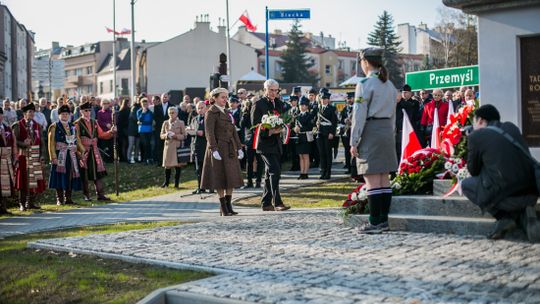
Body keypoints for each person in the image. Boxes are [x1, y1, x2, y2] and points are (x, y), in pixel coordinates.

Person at [462, 104, 539, 242]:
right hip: (532, 192)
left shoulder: (476, 136)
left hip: (506, 198)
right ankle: (524, 214)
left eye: (474, 122)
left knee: (466, 184)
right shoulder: (511, 128)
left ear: (480, 120)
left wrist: (472, 140)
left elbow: (473, 171)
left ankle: (505, 217)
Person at [350, 47, 398, 233]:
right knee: (384, 179)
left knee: (371, 179)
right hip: (386, 131)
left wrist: (354, 140)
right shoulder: (390, 85)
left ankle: (374, 222)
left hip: (371, 130)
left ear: (365, 62)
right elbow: (394, 114)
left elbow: (359, 114)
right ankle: (383, 221)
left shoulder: (364, 84)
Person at [201, 88, 244, 216]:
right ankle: (223, 206)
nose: (226, 100)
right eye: (222, 97)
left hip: (229, 148)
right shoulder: (211, 112)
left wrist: (239, 147)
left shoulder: (226, 112)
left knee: (231, 177)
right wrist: (213, 149)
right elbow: (209, 133)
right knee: (219, 177)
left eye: (226, 97)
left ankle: (229, 205)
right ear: (214, 98)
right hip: (218, 148)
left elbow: (233, 131)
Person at [251, 79, 291, 212]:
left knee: (270, 173)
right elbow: (254, 126)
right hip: (264, 144)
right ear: (265, 90)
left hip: (276, 143)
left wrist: (284, 126)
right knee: (275, 171)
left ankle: (266, 203)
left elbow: (286, 118)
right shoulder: (258, 104)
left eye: (276, 90)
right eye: (271, 90)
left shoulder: (280, 103)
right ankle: (277, 201)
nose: (274, 93)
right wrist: (269, 130)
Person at [75, 101, 116, 201]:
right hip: (84, 152)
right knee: (84, 173)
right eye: (86, 110)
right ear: (81, 111)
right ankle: (86, 195)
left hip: (94, 151)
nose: (88, 112)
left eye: (90, 110)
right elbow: (77, 139)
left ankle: (100, 194)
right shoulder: (77, 123)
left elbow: (101, 134)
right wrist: (80, 152)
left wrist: (111, 132)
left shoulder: (95, 122)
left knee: (98, 173)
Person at [13, 103, 46, 211]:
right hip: (23, 156)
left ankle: (31, 202)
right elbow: (14, 141)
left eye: (33, 112)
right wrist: (23, 143)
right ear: (24, 114)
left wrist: (42, 156)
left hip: (35, 155)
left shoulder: (37, 125)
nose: (32, 114)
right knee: (23, 180)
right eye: (30, 112)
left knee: (35, 180)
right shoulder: (18, 125)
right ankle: (22, 203)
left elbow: (42, 142)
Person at [48, 104, 83, 205]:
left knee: (70, 176)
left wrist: (81, 151)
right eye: (63, 114)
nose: (65, 116)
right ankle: (59, 199)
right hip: (59, 155)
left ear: (70, 115)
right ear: (59, 115)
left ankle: (68, 198)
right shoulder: (54, 126)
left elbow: (78, 140)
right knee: (59, 176)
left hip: (71, 155)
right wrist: (53, 157)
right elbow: (51, 143)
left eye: (67, 114)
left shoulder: (73, 126)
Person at [160, 107, 186, 188]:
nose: (171, 114)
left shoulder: (181, 123)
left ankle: (176, 183)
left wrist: (176, 136)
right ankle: (166, 183)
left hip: (176, 146)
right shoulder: (165, 123)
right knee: (167, 166)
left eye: (173, 112)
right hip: (168, 146)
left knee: (177, 165)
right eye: (170, 113)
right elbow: (161, 135)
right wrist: (166, 135)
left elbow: (184, 136)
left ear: (177, 113)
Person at [241, 96, 263, 189]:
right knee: (249, 161)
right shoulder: (247, 111)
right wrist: (245, 112)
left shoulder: (262, 111)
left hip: (260, 139)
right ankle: (249, 181)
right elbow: (241, 124)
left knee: (259, 161)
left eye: (256, 102)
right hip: (249, 139)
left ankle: (258, 181)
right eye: (253, 102)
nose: (255, 104)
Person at [395, 84, 421, 161]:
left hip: (410, 129)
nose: (404, 94)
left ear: (410, 93)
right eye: (403, 92)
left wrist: (400, 100)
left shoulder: (414, 103)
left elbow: (411, 109)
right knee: (399, 151)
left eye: (406, 92)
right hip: (398, 129)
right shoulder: (397, 103)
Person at [316, 92, 338, 179]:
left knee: (328, 153)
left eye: (325, 99)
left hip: (328, 133)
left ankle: (328, 172)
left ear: (328, 99)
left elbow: (334, 122)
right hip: (320, 132)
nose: (323, 100)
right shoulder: (318, 108)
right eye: (322, 98)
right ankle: (323, 171)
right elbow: (315, 119)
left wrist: (332, 133)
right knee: (321, 153)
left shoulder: (332, 108)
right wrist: (316, 123)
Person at [0, 108, 16, 214]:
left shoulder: (7, 128)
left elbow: (13, 143)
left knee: (6, 184)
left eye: (0, 115)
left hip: (6, 160)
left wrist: (15, 157)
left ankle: (4, 207)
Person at [191, 100, 209, 194]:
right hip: (196, 146)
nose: (200, 110)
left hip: (206, 146)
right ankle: (200, 187)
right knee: (198, 169)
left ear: (206, 108)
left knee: (208, 168)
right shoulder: (194, 119)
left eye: (202, 108)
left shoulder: (209, 118)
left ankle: (210, 186)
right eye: (198, 108)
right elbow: (192, 130)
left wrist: (203, 133)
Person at [294, 98, 314, 179]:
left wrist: (300, 129)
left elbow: (310, 127)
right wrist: (295, 129)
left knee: (305, 156)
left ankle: (305, 173)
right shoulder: (297, 116)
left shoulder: (309, 115)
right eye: (300, 105)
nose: (302, 107)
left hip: (306, 137)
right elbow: (295, 126)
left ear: (307, 106)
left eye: (304, 105)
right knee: (300, 156)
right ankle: (302, 172)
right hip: (299, 137)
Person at [339, 92, 355, 174]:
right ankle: (348, 167)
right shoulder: (345, 109)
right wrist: (345, 120)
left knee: (354, 150)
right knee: (347, 150)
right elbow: (340, 120)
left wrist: (352, 121)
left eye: (350, 98)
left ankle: (354, 169)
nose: (349, 100)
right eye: (348, 98)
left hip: (354, 131)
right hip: (346, 131)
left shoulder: (357, 108)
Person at [153, 94, 170, 165]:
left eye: (166, 97)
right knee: (159, 145)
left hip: (169, 128)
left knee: (168, 145)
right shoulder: (157, 107)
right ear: (161, 98)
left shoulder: (172, 106)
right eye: (163, 97)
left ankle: (168, 161)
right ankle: (160, 161)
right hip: (159, 128)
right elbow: (155, 117)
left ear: (168, 98)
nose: (164, 98)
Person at [137, 98, 154, 165]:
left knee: (148, 144)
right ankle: (144, 159)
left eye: (146, 104)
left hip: (149, 130)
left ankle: (149, 159)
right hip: (142, 130)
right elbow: (139, 119)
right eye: (143, 104)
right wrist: (143, 113)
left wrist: (143, 122)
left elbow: (150, 121)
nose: (145, 105)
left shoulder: (150, 112)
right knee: (145, 144)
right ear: (141, 104)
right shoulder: (139, 111)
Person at [96, 98, 114, 163]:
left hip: (111, 132)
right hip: (103, 132)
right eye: (104, 103)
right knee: (104, 147)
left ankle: (111, 160)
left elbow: (114, 120)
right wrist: (106, 124)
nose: (105, 105)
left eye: (107, 103)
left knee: (111, 147)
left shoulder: (111, 112)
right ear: (101, 104)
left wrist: (111, 124)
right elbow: (99, 121)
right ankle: (104, 160)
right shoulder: (99, 112)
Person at [127, 98, 141, 163]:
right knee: (131, 144)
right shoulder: (134, 107)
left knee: (137, 145)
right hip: (132, 130)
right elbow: (133, 117)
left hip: (138, 129)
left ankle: (136, 157)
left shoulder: (141, 107)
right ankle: (128, 158)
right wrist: (140, 120)